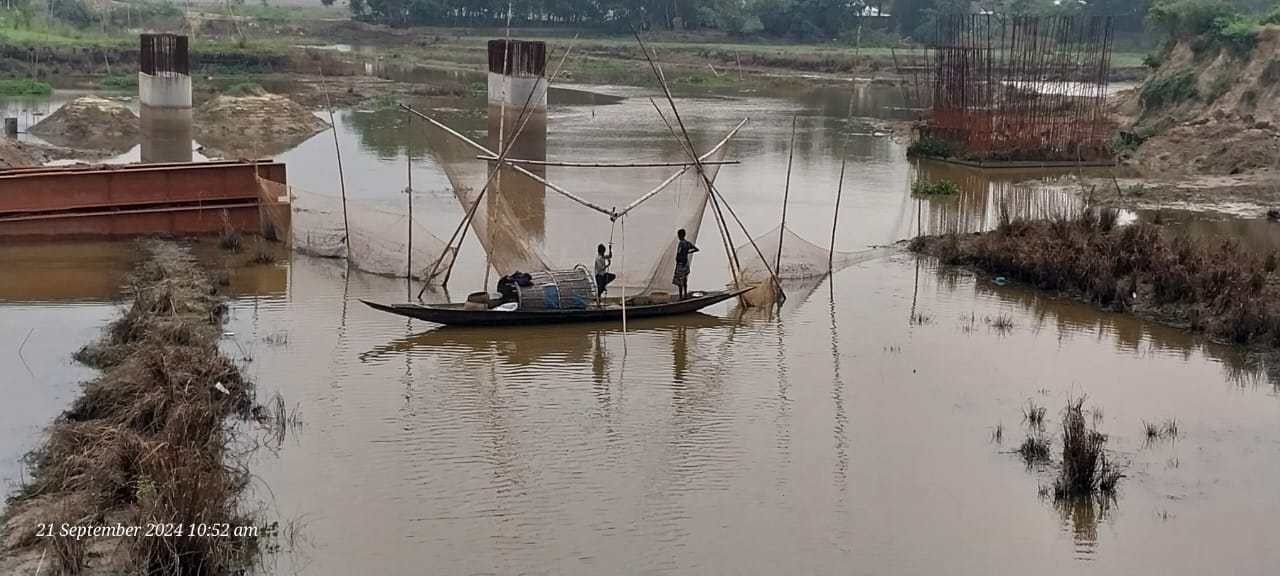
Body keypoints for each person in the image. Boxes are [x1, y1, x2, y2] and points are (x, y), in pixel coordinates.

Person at [672, 228, 699, 300]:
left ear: (679, 236)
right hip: (686, 263)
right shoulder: (687, 243)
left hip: (681, 263)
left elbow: (678, 253)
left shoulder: (681, 243)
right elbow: (696, 249)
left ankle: (681, 297)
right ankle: (685, 296)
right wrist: (688, 252)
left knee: (679, 282)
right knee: (684, 280)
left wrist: (677, 259)